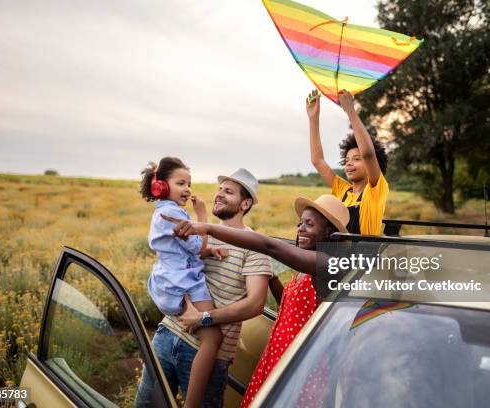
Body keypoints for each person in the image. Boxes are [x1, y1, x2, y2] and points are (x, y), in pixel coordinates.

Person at [165, 194, 349, 408]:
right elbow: (290, 309)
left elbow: (269, 246)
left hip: (302, 365)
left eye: (310, 224)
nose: (300, 229)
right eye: (300, 223)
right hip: (280, 355)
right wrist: (271, 278)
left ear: (329, 232)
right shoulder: (305, 269)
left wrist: (208, 228)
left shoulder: (329, 264)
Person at [135, 168, 275, 408]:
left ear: (245, 203)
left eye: (228, 192)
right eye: (219, 189)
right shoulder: (198, 231)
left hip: (209, 354)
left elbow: (255, 304)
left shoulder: (254, 246)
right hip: (168, 334)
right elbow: (170, 263)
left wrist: (204, 318)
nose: (219, 195)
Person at [138, 156, 224, 408]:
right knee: (214, 338)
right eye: (180, 183)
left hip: (167, 280)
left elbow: (184, 249)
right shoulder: (175, 215)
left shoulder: (162, 212)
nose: (187, 189)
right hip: (184, 283)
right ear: (161, 186)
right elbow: (197, 246)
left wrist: (209, 252)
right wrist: (202, 215)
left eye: (189, 183)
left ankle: (186, 314)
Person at [307, 89, 389, 235]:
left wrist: (350, 109)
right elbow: (318, 161)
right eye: (347, 160)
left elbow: (368, 154)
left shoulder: (376, 189)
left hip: (363, 256)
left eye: (357, 159)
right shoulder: (342, 190)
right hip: (338, 254)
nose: (349, 163)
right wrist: (313, 118)